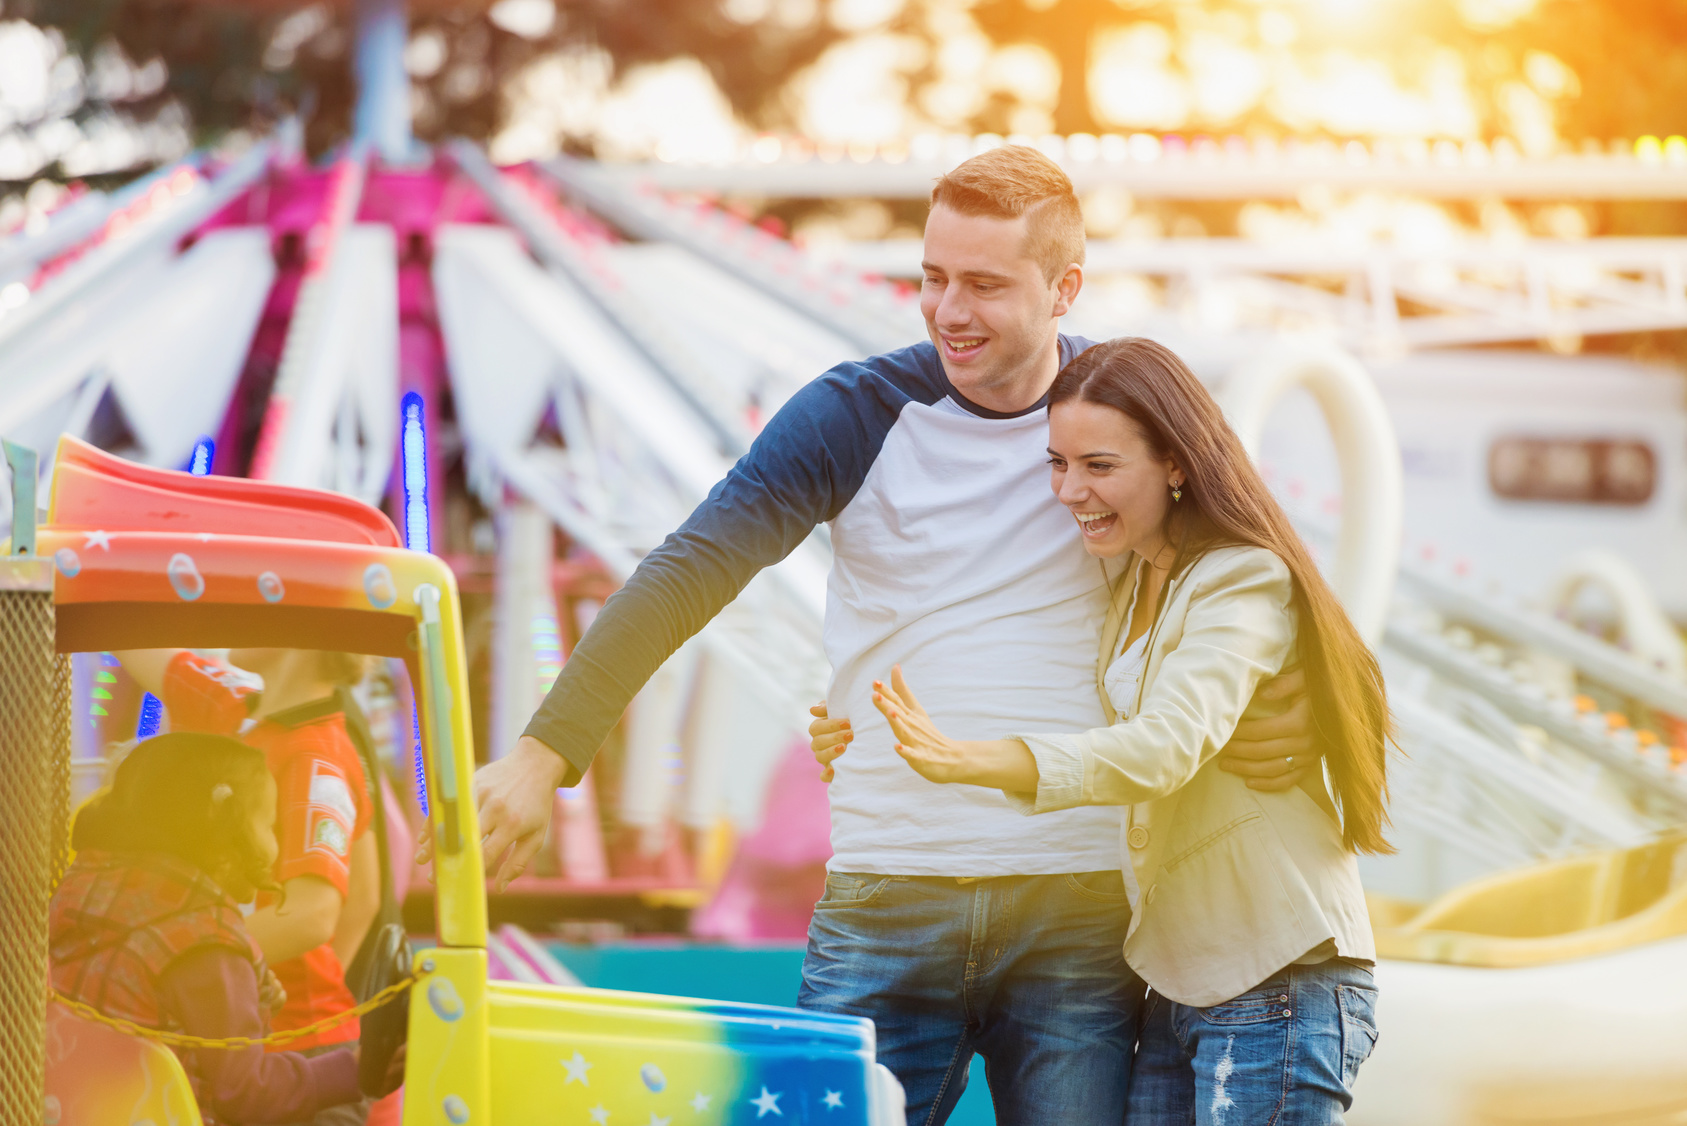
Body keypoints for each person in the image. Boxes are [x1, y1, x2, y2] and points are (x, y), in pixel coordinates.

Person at [455, 145, 1323, 1124]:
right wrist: (543, 755)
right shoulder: (854, 415)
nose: (949, 309)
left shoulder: (1123, 423)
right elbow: (692, 566)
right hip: (887, 897)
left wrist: (1298, 707)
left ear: (1063, 288)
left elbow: (1257, 577)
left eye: (985, 284)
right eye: (932, 278)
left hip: (1079, 910)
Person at [854, 337, 1390, 1123]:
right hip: (1180, 979)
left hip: (1274, 973)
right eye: (1056, 463)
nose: (1068, 490)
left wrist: (972, 761)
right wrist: (846, 715)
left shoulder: (1239, 576)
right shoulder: (1132, 571)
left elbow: (1165, 745)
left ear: (1176, 463)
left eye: (1098, 466)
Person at [49, 732, 396, 1124]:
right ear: (225, 837)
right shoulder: (206, 941)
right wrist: (355, 1069)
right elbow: (248, 1094)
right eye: (270, 826)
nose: (276, 846)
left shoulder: (82, 888)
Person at [115, 648, 380, 1126]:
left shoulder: (315, 754)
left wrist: (181, 964)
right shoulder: (238, 712)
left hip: (299, 1056)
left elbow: (313, 913)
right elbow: (364, 899)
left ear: (298, 634)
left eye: (269, 594)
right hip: (247, 1043)